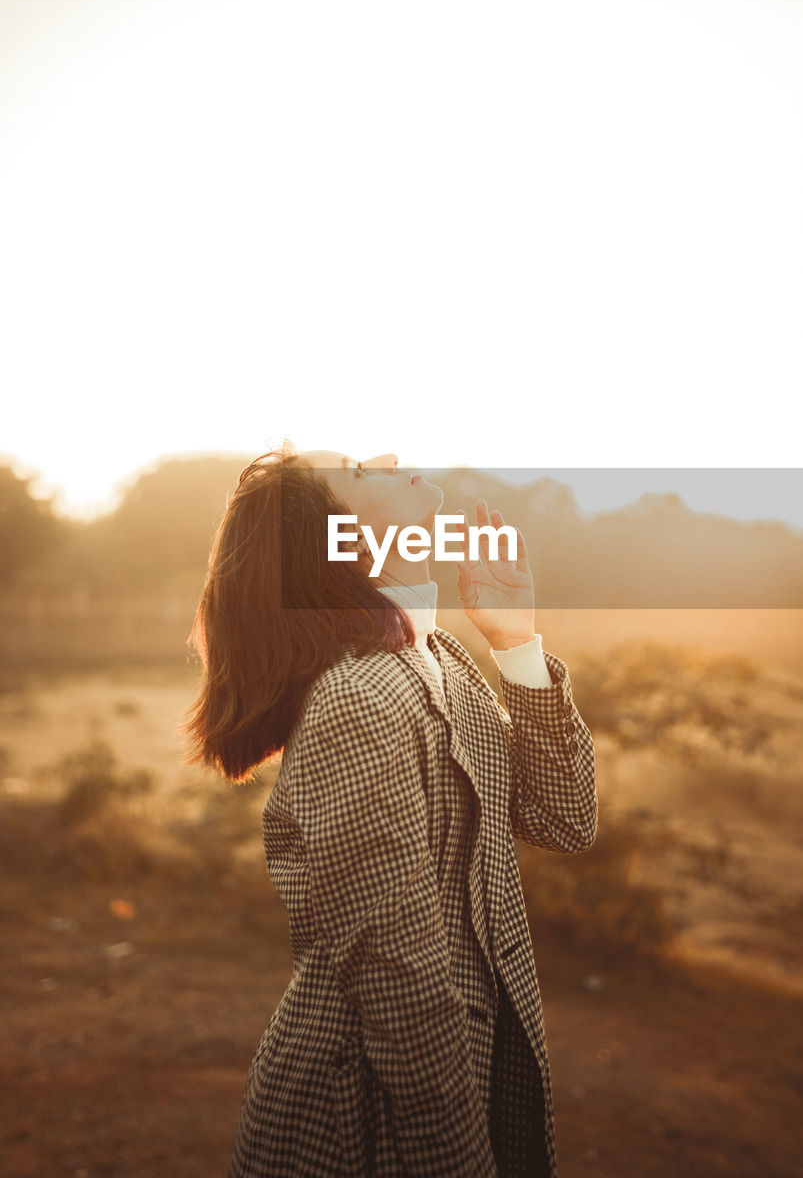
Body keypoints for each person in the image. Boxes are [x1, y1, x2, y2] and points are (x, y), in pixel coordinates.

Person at [183, 443, 598, 1177]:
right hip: (363, 1123)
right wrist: (459, 1160)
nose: (388, 454)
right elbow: (394, 975)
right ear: (336, 538)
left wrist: (516, 643)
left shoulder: (440, 663)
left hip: (458, 1077)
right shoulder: (359, 700)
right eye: (359, 471)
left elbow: (563, 817)